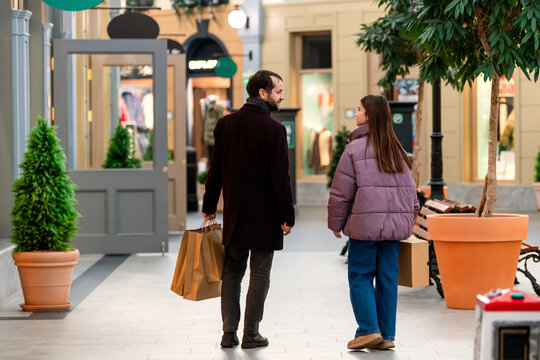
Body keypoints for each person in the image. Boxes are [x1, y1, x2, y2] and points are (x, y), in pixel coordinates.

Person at [202, 70, 295, 349]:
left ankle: (228, 333)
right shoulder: (275, 130)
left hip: (235, 215)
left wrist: (209, 206)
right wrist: (286, 216)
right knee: (260, 274)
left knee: (232, 273)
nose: (282, 96)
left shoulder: (226, 124)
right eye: (278, 91)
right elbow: (281, 179)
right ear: (262, 94)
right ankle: (251, 334)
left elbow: (214, 170)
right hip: (265, 217)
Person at [327, 95, 419, 350]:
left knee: (360, 275)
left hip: (364, 229)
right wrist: (408, 220)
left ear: (369, 116)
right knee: (388, 279)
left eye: (359, 110)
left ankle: (368, 329)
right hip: (393, 231)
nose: (355, 114)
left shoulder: (354, 149)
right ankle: (387, 335)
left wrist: (335, 222)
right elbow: (412, 194)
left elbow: (341, 192)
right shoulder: (398, 150)